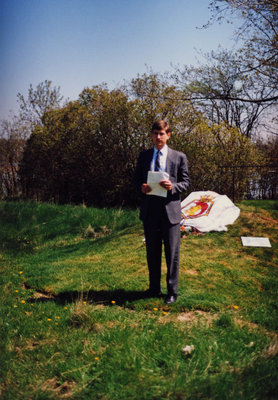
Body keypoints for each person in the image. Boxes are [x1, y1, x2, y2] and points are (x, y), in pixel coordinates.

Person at [132, 120, 190, 304]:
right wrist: (141, 188)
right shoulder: (144, 156)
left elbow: (186, 182)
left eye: (162, 133)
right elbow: (135, 181)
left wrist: (173, 186)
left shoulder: (179, 157)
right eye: (155, 133)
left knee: (172, 254)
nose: (158, 137)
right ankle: (154, 288)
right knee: (152, 252)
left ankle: (172, 292)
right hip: (150, 211)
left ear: (168, 135)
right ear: (151, 135)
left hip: (170, 211)